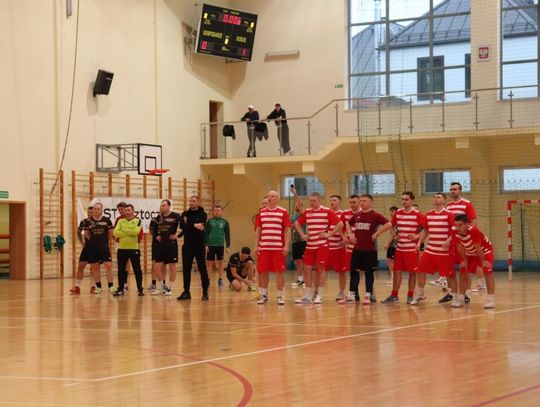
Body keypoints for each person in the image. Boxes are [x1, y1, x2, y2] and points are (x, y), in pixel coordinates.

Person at [293, 192, 342, 305]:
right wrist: (303, 235)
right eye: (310, 200)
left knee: (320, 269)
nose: (311, 203)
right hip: (310, 245)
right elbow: (297, 224)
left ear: (319, 200)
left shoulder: (326, 211)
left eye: (314, 200)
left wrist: (329, 234)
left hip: (322, 245)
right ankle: (307, 295)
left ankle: (319, 295)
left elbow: (340, 224)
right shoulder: (308, 212)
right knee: (307, 269)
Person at [343, 194, 392, 304]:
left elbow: (389, 224)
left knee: (368, 273)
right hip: (357, 249)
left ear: (370, 202)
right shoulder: (357, 215)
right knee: (354, 272)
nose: (362, 203)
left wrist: (377, 233)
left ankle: (368, 295)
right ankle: (352, 295)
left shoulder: (375, 215)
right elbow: (347, 223)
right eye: (361, 201)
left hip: (370, 250)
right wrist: (350, 235)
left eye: (364, 201)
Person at [410, 193, 457, 305]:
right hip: (430, 249)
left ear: (444, 201)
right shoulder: (429, 214)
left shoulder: (449, 214)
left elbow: (455, 230)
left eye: (438, 197)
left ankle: (454, 296)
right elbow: (426, 230)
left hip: (444, 251)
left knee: (449, 275)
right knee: (420, 270)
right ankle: (421, 294)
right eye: (435, 197)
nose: (436, 198)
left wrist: (448, 240)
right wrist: (419, 241)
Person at [382, 192, 425, 304]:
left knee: (412, 273)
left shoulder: (417, 214)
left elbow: (427, 227)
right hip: (400, 248)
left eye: (406, 199)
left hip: (411, 249)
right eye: (402, 199)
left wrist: (417, 236)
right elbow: (391, 225)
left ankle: (410, 295)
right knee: (397, 272)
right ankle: (394, 295)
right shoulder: (398, 213)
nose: (404, 201)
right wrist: (392, 234)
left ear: (412, 200)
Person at [445, 182, 484, 298]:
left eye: (455, 189)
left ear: (460, 190)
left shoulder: (467, 204)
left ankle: (467, 293)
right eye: (451, 189)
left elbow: (473, 221)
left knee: (465, 267)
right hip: (453, 240)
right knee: (449, 267)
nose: (452, 191)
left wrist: (469, 237)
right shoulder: (448, 205)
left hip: (464, 240)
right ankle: (451, 293)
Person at [449, 214, 496, 309]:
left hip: (484, 251)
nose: (457, 228)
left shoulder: (473, 231)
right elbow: (459, 247)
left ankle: (490, 299)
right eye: (456, 225)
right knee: (463, 271)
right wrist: (465, 260)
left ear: (467, 224)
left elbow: (478, 248)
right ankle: (460, 298)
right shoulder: (453, 231)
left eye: (460, 225)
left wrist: (483, 262)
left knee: (487, 271)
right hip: (470, 253)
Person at [254, 190, 291, 305]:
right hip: (264, 248)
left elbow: (288, 230)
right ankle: (263, 295)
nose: (270, 198)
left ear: (277, 199)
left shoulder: (283, 212)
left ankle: (280, 296)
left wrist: (286, 245)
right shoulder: (262, 213)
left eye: (272, 196)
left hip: (278, 248)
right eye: (268, 196)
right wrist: (256, 245)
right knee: (263, 272)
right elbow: (258, 230)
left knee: (279, 272)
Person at [178, 196, 210, 301]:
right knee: (186, 269)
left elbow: (201, 227)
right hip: (187, 245)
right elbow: (182, 226)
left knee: (202, 269)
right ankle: (186, 292)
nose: (191, 203)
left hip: (199, 245)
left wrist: (189, 225)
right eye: (190, 201)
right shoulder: (185, 214)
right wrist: (194, 225)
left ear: (198, 202)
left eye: (194, 201)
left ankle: (205, 292)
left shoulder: (203, 214)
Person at [151, 200, 182, 296]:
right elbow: (154, 229)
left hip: (171, 245)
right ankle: (162, 288)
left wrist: (178, 236)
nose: (162, 207)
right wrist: (157, 235)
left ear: (169, 206)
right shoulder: (158, 217)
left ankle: (170, 288)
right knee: (157, 267)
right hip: (160, 245)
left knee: (172, 267)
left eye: (164, 205)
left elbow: (185, 227)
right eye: (161, 205)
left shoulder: (176, 216)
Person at [112, 204, 144, 296]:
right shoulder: (120, 221)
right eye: (126, 210)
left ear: (133, 211)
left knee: (137, 270)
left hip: (134, 249)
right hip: (122, 249)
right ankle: (121, 289)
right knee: (121, 270)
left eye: (129, 210)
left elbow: (136, 232)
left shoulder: (137, 220)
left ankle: (140, 289)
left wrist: (123, 230)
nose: (127, 212)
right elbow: (115, 233)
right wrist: (129, 231)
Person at [85, 202, 115, 294]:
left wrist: (107, 243)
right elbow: (86, 233)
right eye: (94, 209)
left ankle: (111, 286)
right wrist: (93, 242)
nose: (96, 210)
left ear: (101, 210)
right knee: (95, 267)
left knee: (108, 265)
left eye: (98, 209)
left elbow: (110, 232)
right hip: (93, 248)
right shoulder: (88, 221)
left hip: (104, 247)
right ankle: (98, 287)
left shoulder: (107, 220)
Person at [70, 206, 96, 294]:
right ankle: (77, 286)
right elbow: (78, 232)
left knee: (94, 267)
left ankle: (94, 286)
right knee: (81, 265)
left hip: (95, 248)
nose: (89, 214)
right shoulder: (84, 222)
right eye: (88, 212)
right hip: (87, 247)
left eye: (91, 212)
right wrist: (81, 242)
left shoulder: (98, 222)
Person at [339, 195, 360, 301]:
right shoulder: (345, 213)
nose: (352, 204)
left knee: (368, 272)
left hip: (363, 247)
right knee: (352, 271)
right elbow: (339, 226)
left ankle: (370, 294)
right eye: (350, 202)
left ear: (359, 202)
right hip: (351, 247)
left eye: (354, 202)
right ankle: (353, 294)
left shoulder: (364, 213)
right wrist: (344, 237)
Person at [326, 195, 347, 301]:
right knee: (320, 270)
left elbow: (347, 228)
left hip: (339, 247)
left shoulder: (343, 214)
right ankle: (316, 292)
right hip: (327, 247)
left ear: (339, 202)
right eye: (331, 200)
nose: (332, 202)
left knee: (341, 272)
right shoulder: (326, 213)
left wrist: (345, 238)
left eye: (334, 200)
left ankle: (342, 292)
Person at [205, 205, 231, 288]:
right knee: (209, 263)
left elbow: (227, 234)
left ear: (221, 212)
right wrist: (206, 244)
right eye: (215, 210)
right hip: (210, 245)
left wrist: (227, 246)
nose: (217, 212)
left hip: (220, 245)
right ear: (213, 212)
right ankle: (207, 281)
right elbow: (206, 233)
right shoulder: (210, 221)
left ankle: (220, 280)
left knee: (220, 263)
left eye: (218, 210)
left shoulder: (225, 222)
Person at [289, 185, 306, 287]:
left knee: (304, 261)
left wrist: (295, 193)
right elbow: (290, 227)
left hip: (302, 241)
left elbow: (299, 203)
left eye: (298, 205)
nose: (297, 206)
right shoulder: (293, 217)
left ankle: (306, 279)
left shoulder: (303, 214)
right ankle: (300, 279)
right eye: (295, 205)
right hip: (295, 241)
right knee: (298, 261)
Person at [385, 206, 399, 287]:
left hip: (396, 245)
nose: (391, 213)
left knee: (392, 261)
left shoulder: (398, 222)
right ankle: (393, 276)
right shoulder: (392, 222)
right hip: (392, 244)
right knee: (388, 260)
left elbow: (392, 235)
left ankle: (394, 278)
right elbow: (391, 234)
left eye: (393, 211)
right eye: (390, 211)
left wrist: (387, 243)